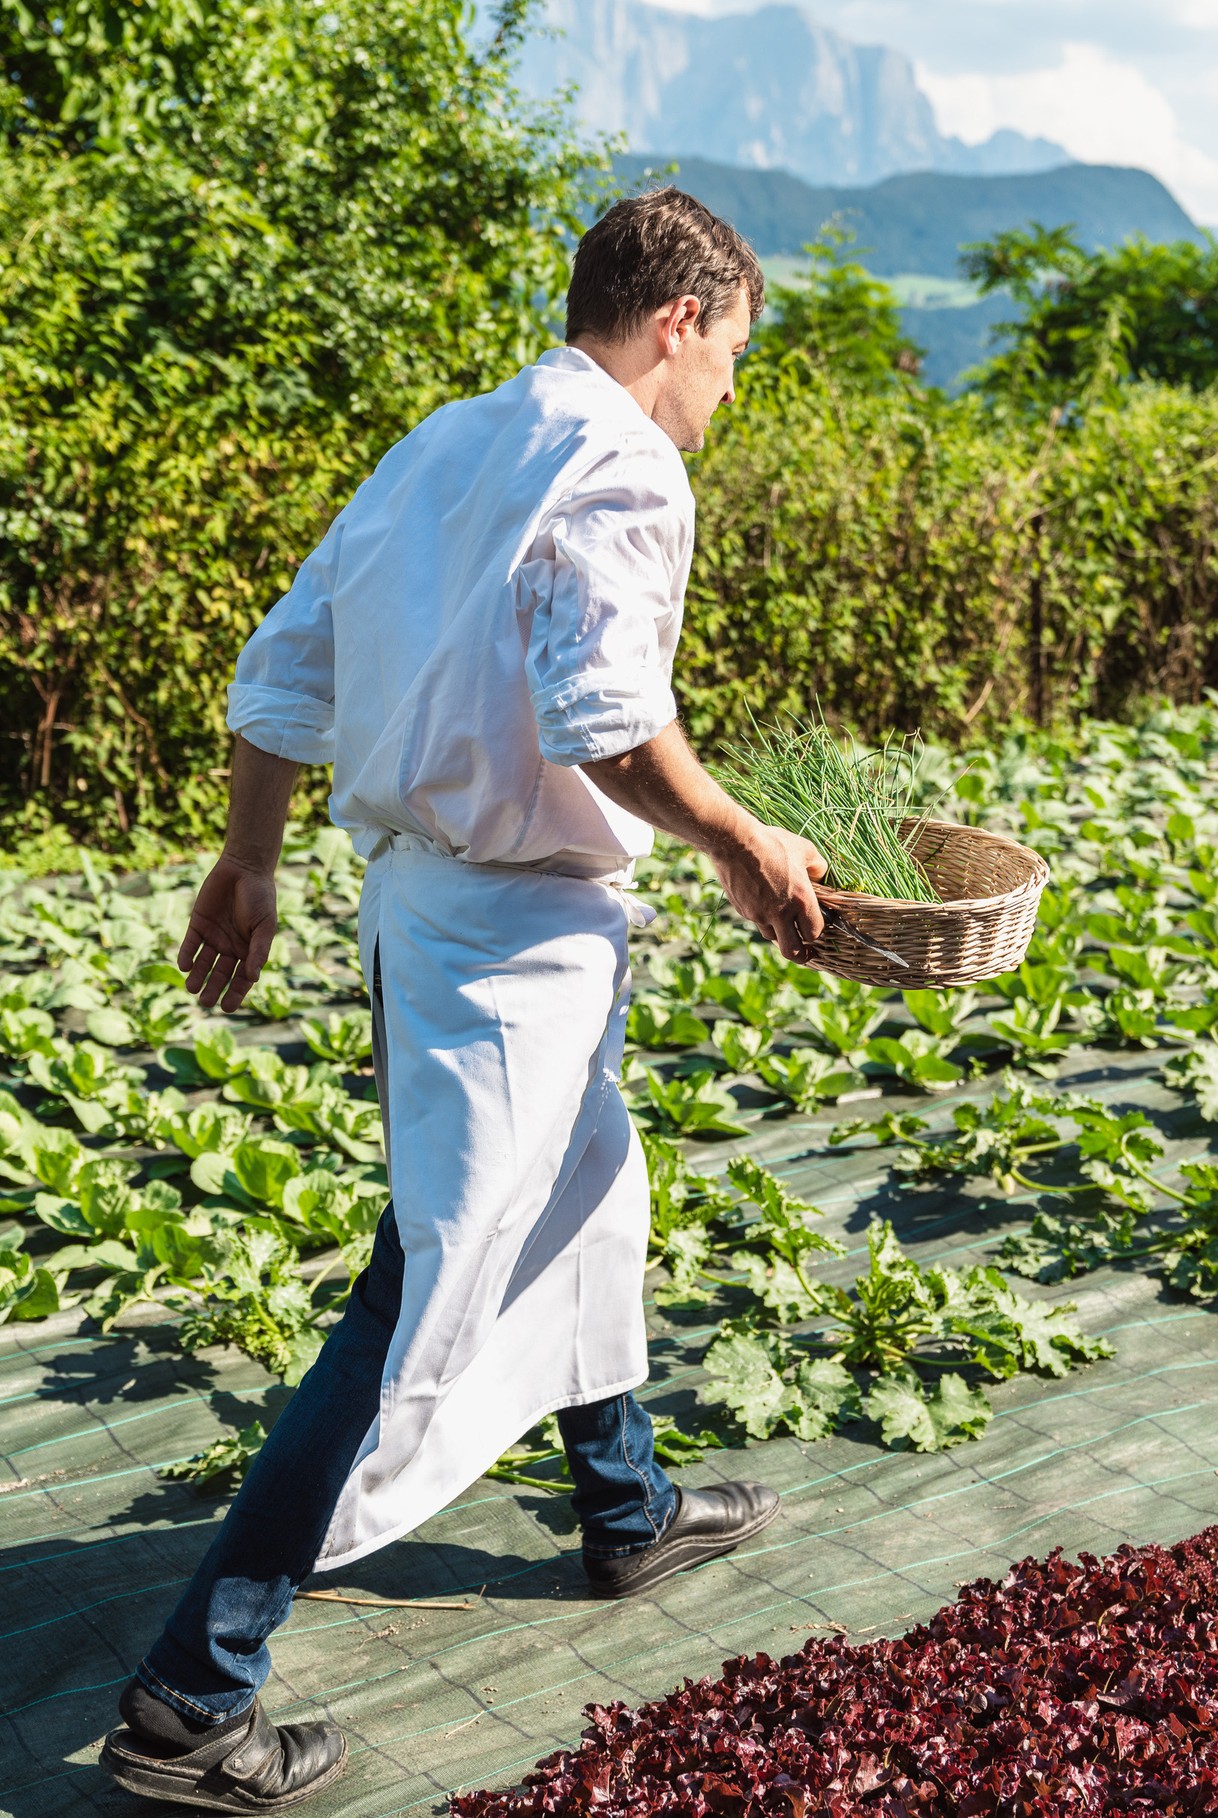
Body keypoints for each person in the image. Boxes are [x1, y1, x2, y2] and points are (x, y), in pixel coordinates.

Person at [98, 187, 828, 1812]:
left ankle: (625, 1507)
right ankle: (191, 1693)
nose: (728, 393)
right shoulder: (624, 461)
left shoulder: (447, 440)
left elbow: (288, 660)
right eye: (732, 355)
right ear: (680, 322)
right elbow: (603, 715)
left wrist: (251, 857)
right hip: (508, 942)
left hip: (432, 906)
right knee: (420, 1295)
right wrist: (741, 840)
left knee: (588, 1192)